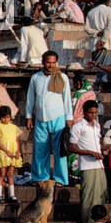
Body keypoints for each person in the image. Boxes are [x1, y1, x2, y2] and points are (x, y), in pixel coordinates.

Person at [26, 51, 73, 185]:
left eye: (53, 62)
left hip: (58, 117)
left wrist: (69, 117)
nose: (51, 65)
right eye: (48, 62)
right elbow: (30, 98)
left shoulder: (62, 77)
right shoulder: (36, 78)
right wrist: (29, 116)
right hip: (41, 119)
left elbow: (67, 98)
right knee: (40, 150)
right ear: (43, 62)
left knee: (60, 151)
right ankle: (41, 178)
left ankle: (61, 179)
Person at [67, 98, 107, 223]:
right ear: (84, 112)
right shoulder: (77, 127)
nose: (93, 115)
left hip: (99, 166)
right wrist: (90, 153)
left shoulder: (97, 126)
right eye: (90, 113)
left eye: (95, 113)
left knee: (101, 195)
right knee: (88, 197)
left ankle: (99, 222)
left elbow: (97, 145)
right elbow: (72, 147)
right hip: (87, 166)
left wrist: (105, 149)